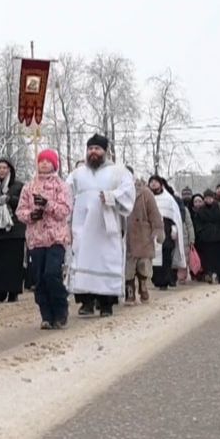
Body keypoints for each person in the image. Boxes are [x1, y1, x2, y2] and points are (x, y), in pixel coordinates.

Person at [67, 134, 135, 317]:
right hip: (82, 227)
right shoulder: (77, 174)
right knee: (82, 261)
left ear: (105, 151)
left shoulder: (118, 172)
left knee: (106, 263)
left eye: (97, 148)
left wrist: (112, 196)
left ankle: (106, 304)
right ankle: (86, 303)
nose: (93, 152)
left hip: (106, 228)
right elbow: (66, 196)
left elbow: (128, 193)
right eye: (90, 149)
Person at [17, 149, 73, 329]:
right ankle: (46, 315)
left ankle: (60, 310)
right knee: (39, 279)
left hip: (56, 237)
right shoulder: (29, 186)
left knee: (51, 274)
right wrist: (31, 215)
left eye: (48, 161)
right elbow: (20, 211)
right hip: (36, 238)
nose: (44, 164)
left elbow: (65, 211)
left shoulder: (61, 186)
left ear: (54, 164)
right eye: (41, 161)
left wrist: (47, 205)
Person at [0, 158, 27, 302]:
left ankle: (13, 291)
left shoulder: (18, 186)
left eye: (5, 168)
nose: (2, 171)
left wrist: (10, 199)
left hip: (13, 230)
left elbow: (24, 203)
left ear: (10, 170)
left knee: (13, 263)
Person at [124, 167, 164, 305]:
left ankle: (143, 284)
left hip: (143, 235)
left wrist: (158, 230)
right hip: (125, 235)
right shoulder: (118, 193)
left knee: (143, 264)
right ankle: (129, 290)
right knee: (127, 266)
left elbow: (154, 213)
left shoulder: (145, 193)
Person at [148, 176, 186, 290]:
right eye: (151, 182)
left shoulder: (169, 199)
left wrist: (174, 228)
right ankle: (157, 280)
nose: (153, 184)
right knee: (154, 257)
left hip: (166, 231)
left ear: (161, 184)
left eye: (155, 182)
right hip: (152, 231)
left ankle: (166, 280)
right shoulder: (148, 198)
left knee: (165, 256)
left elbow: (175, 215)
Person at [193, 189, 220, 284]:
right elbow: (198, 224)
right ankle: (210, 275)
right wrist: (202, 232)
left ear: (213, 198)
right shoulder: (201, 211)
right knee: (209, 259)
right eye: (206, 198)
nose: (208, 200)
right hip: (207, 239)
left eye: (210, 198)